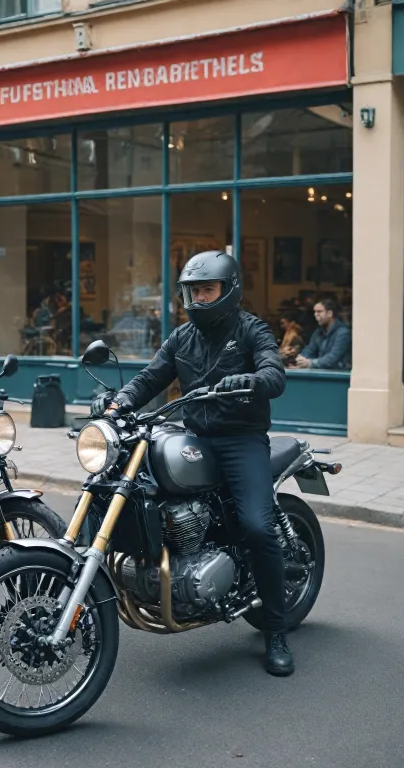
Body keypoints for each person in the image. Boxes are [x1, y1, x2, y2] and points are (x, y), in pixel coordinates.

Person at [91, 250, 294, 677]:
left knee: (258, 526)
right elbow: (151, 378)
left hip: (241, 440)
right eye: (193, 291)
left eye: (208, 290)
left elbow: (275, 373)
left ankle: (276, 629)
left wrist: (253, 380)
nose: (199, 298)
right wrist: (119, 403)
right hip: (194, 438)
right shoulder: (181, 338)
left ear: (228, 290)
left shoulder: (251, 329)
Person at [295, 298, 351, 370]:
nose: (315, 314)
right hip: (323, 374)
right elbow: (309, 349)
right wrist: (301, 359)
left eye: (319, 311)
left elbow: (333, 358)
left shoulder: (343, 333)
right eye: (314, 312)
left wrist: (310, 363)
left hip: (340, 376)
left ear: (329, 313)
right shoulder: (318, 332)